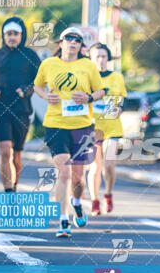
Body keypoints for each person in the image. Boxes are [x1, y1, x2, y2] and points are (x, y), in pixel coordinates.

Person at [33, 27, 106, 238]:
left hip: (82, 126)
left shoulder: (88, 66)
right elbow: (37, 86)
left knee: (77, 179)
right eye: (68, 39)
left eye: (77, 40)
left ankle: (77, 202)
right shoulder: (48, 64)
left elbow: (101, 91)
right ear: (61, 43)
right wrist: (46, 96)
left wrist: (89, 97)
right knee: (63, 172)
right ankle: (63, 220)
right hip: (55, 124)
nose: (72, 42)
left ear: (81, 46)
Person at [0, 17, 41, 192]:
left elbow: (40, 79)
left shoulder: (30, 55)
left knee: (16, 156)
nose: (12, 37)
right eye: (8, 34)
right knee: (5, 150)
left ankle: (14, 185)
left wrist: (26, 89)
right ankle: (7, 190)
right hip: (0, 109)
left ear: (22, 35)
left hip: (22, 109)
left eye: (15, 34)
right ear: (3, 36)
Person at [88, 43, 127, 215]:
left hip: (112, 127)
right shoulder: (88, 77)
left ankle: (108, 194)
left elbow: (121, 98)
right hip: (93, 127)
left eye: (103, 56)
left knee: (109, 165)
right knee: (95, 167)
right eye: (97, 56)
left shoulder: (117, 77)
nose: (101, 60)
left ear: (108, 58)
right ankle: (95, 200)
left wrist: (120, 108)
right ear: (91, 58)